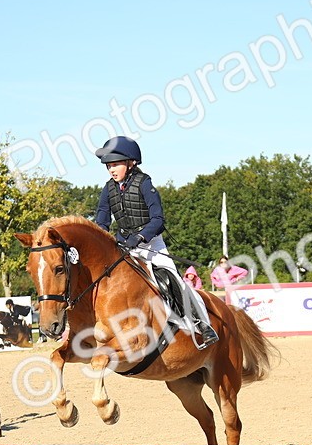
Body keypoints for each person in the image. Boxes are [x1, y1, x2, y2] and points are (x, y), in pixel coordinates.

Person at [93, 136, 218, 349]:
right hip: (123, 247)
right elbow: (102, 218)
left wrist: (140, 237)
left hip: (151, 245)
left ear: (130, 163)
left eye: (115, 165)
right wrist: (101, 240)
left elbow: (158, 220)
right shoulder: (108, 188)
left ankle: (202, 324)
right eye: (108, 166)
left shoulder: (144, 183)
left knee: (174, 280)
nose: (111, 170)